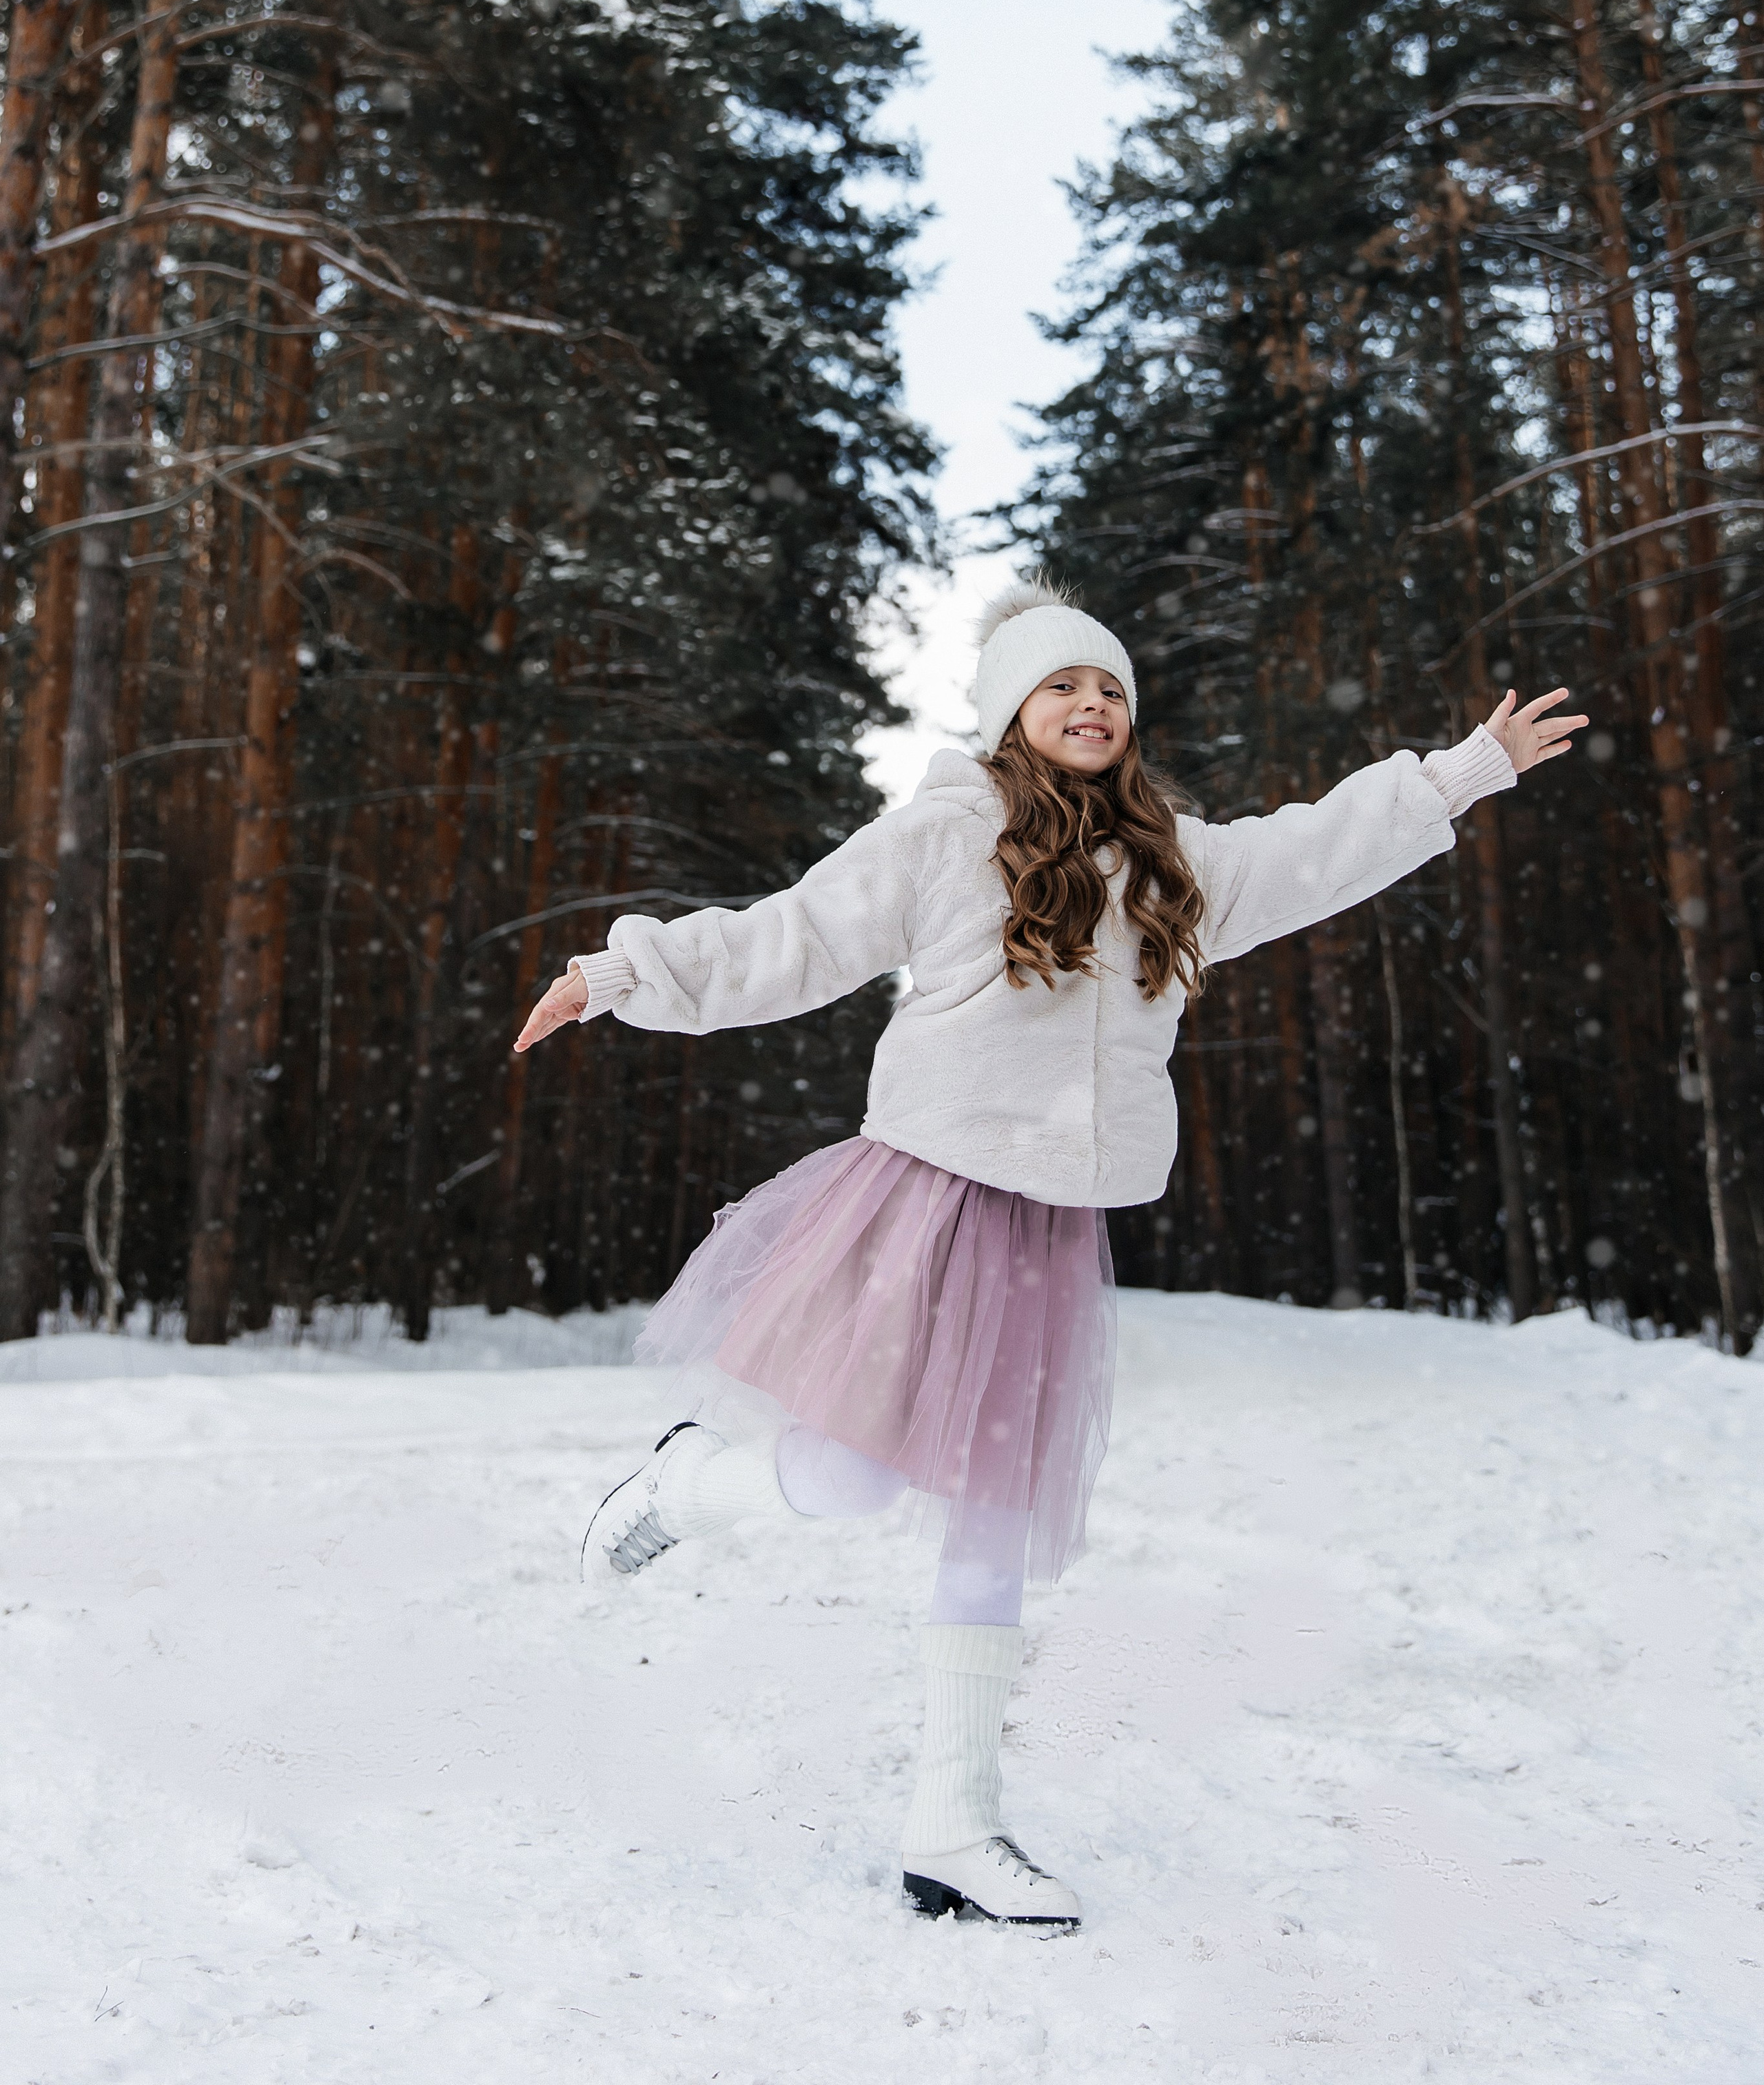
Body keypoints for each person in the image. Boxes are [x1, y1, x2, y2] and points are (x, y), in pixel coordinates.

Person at [514, 577, 1585, 1928]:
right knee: (845, 1480)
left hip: (1050, 1227)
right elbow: (788, 942)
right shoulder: (943, 835)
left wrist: (1461, 774)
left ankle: (953, 1826)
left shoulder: (1170, 863)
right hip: (929, 1194)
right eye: (1062, 685)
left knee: (996, 1518)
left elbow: (1313, 848)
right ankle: (680, 1488)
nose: (1092, 705)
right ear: (1008, 710)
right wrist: (623, 974)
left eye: (1112, 691)